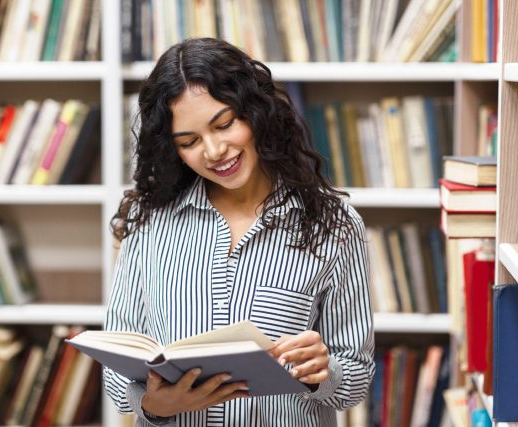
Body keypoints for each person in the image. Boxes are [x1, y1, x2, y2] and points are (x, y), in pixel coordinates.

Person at [104, 37, 374, 426]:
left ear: (256, 113)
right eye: (190, 141)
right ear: (173, 149)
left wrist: (325, 371)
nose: (214, 151)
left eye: (224, 124)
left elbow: (356, 382)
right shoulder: (150, 220)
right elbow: (118, 371)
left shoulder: (333, 224)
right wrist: (153, 405)